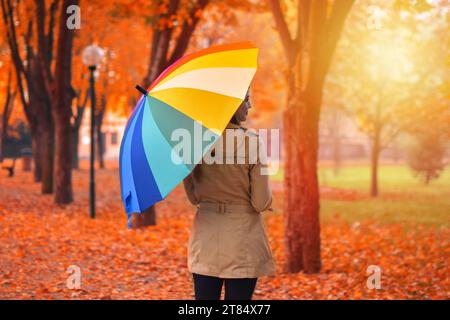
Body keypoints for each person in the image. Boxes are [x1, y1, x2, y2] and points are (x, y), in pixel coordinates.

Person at [183, 90, 276, 300]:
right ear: (233, 104)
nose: (250, 106)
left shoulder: (195, 144)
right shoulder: (253, 143)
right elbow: (261, 202)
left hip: (205, 239)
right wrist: (268, 201)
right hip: (242, 238)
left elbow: (194, 198)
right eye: (246, 100)